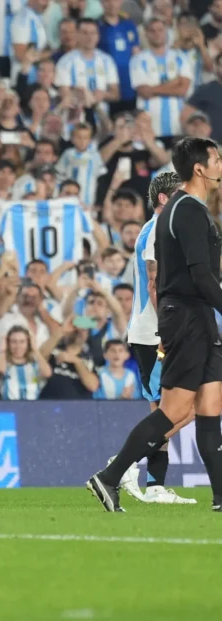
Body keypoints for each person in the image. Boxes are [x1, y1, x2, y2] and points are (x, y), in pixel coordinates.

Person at [90, 138, 222, 513]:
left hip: (195, 317)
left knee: (211, 405)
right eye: (217, 159)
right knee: (174, 410)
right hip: (187, 318)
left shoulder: (189, 210)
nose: (220, 165)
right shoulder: (187, 212)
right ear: (200, 168)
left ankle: (220, 497)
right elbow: (201, 276)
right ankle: (112, 476)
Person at [114, 171, 196, 504]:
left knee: (164, 410)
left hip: (156, 332)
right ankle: (125, 465)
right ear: (164, 198)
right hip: (155, 335)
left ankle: (155, 485)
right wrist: (170, 330)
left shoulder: (163, 230)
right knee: (182, 408)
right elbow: (154, 284)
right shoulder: (154, 232)